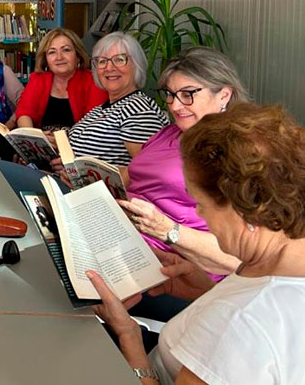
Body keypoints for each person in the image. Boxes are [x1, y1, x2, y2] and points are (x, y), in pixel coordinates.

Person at [90, 103, 305, 384]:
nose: (199, 214)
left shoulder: (241, 326)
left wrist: (127, 334)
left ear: (240, 209)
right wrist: (205, 290)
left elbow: (246, 329)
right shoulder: (278, 258)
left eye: (200, 204)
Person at [121, 48, 248, 280]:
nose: (175, 106)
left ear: (224, 95)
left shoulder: (236, 150)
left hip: (173, 267)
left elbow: (241, 255)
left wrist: (166, 229)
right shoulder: (168, 134)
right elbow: (131, 176)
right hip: (121, 239)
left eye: (188, 94)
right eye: (170, 94)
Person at [56, 32, 168, 168]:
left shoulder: (138, 109)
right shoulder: (102, 108)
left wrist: (81, 174)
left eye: (119, 59)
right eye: (102, 61)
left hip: (98, 189)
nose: (109, 68)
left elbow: (148, 172)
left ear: (136, 65)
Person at [15, 28, 107, 130]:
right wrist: (34, 137)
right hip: (42, 143)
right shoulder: (38, 80)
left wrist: (62, 140)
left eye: (66, 50)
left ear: (78, 55)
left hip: (80, 143)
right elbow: (24, 114)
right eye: (52, 52)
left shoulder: (94, 81)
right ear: (46, 59)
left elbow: (95, 124)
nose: (59, 57)